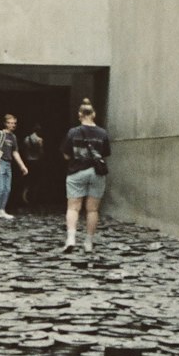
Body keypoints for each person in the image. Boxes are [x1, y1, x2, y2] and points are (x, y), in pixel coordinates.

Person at [59, 99, 111, 254]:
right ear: (93, 114)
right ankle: (88, 242)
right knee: (92, 210)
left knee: (73, 207)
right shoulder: (102, 133)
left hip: (77, 172)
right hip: (96, 173)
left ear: (79, 115)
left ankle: (71, 239)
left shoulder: (73, 132)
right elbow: (105, 153)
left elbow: (66, 155)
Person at [0, 112, 28, 221]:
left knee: (7, 188)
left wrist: (22, 166)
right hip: (0, 161)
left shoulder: (13, 137)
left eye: (14, 123)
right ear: (5, 123)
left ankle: (2, 209)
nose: (12, 125)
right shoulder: (0, 134)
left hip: (8, 163)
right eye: (10, 123)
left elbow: (15, 152)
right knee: (0, 187)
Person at [21, 124, 44, 205]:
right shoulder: (39, 140)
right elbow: (41, 152)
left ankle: (24, 198)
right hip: (36, 161)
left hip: (28, 161)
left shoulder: (26, 139)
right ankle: (34, 199)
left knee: (28, 180)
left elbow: (24, 151)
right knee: (36, 180)